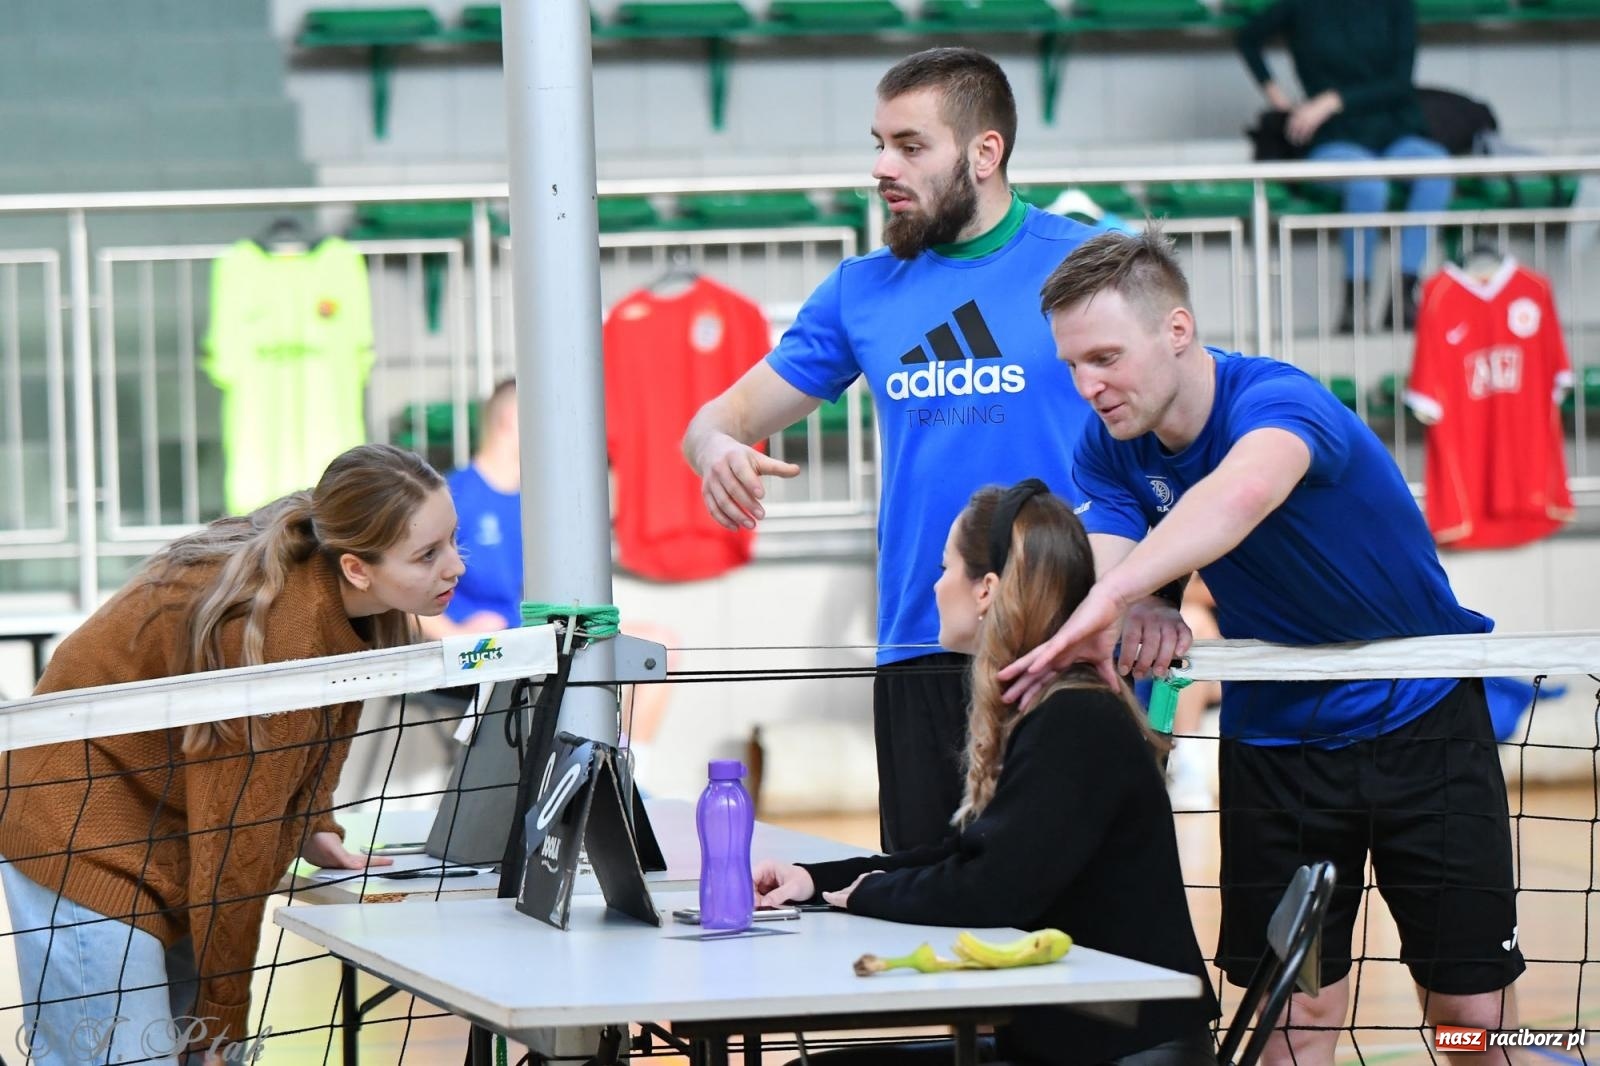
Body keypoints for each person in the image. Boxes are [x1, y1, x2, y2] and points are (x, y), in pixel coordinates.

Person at [1005, 229, 1524, 1065]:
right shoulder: (1107, 446)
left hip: (1424, 727)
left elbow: (1241, 492)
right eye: (1072, 365)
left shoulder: (1280, 401)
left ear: (1177, 331)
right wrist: (1136, 598)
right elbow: (1111, 546)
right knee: (1295, 1014)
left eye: (1104, 357)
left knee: (1469, 1021)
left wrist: (1121, 592)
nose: (1087, 386)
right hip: (1280, 751)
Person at [684, 47, 1181, 852]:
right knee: (930, 904)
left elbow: (1179, 436)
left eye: (910, 146)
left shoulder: (1092, 266)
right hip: (922, 644)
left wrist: (1157, 593)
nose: (882, 166)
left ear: (985, 153)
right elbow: (720, 418)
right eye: (878, 143)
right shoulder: (861, 290)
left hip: (1070, 641)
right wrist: (712, 448)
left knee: (1087, 932)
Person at [0, 443, 464, 1065]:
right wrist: (223, 1023)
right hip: (75, 818)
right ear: (356, 567)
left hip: (171, 817)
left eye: (453, 540)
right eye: (428, 554)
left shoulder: (358, 601)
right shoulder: (280, 635)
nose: (454, 566)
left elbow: (318, 735)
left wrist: (312, 824)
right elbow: (235, 847)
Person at [755, 481, 1219, 1066]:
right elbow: (967, 857)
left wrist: (868, 892)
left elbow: (992, 891)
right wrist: (818, 879)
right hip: (1072, 1038)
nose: (934, 584)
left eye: (944, 567)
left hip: (1121, 1048)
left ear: (986, 590)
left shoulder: (1076, 718)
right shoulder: (1053, 707)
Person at [1237, 0, 1451, 332]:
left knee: (1437, 170)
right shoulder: (1303, 6)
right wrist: (1281, 102)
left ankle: (1405, 293)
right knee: (1367, 184)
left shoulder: (1397, 5)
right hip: (1335, 138)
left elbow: (1399, 83)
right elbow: (1248, 38)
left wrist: (1333, 101)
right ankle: (1354, 302)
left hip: (1394, 130)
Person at [419, 378, 521, 638]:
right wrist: (454, 635)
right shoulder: (453, 497)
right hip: (483, 658)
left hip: (534, 643)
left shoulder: (540, 500)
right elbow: (397, 584)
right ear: (512, 417)